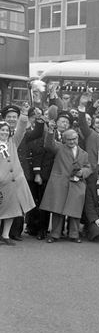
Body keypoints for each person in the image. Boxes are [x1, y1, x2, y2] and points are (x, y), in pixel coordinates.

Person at [40, 125, 92, 243]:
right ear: (64, 140)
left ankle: (74, 235)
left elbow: (88, 167)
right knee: (57, 211)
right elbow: (48, 144)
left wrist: (82, 172)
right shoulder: (59, 148)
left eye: (74, 139)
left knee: (75, 211)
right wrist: (50, 131)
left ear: (77, 138)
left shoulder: (84, 153)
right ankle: (55, 234)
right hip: (60, 184)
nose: (72, 141)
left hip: (77, 184)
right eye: (69, 139)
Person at [0, 104, 36, 245]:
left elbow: (21, 129)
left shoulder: (13, 142)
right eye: (1, 130)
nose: (4, 133)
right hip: (1, 183)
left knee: (12, 209)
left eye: (6, 131)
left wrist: (24, 114)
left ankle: (5, 235)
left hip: (14, 182)